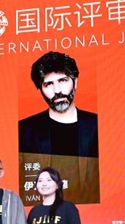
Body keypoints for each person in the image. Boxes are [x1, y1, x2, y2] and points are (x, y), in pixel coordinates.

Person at [19, 52, 99, 204]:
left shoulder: (98, 125)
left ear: (75, 82)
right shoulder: (24, 130)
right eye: (48, 84)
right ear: (40, 90)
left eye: (63, 80)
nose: (57, 90)